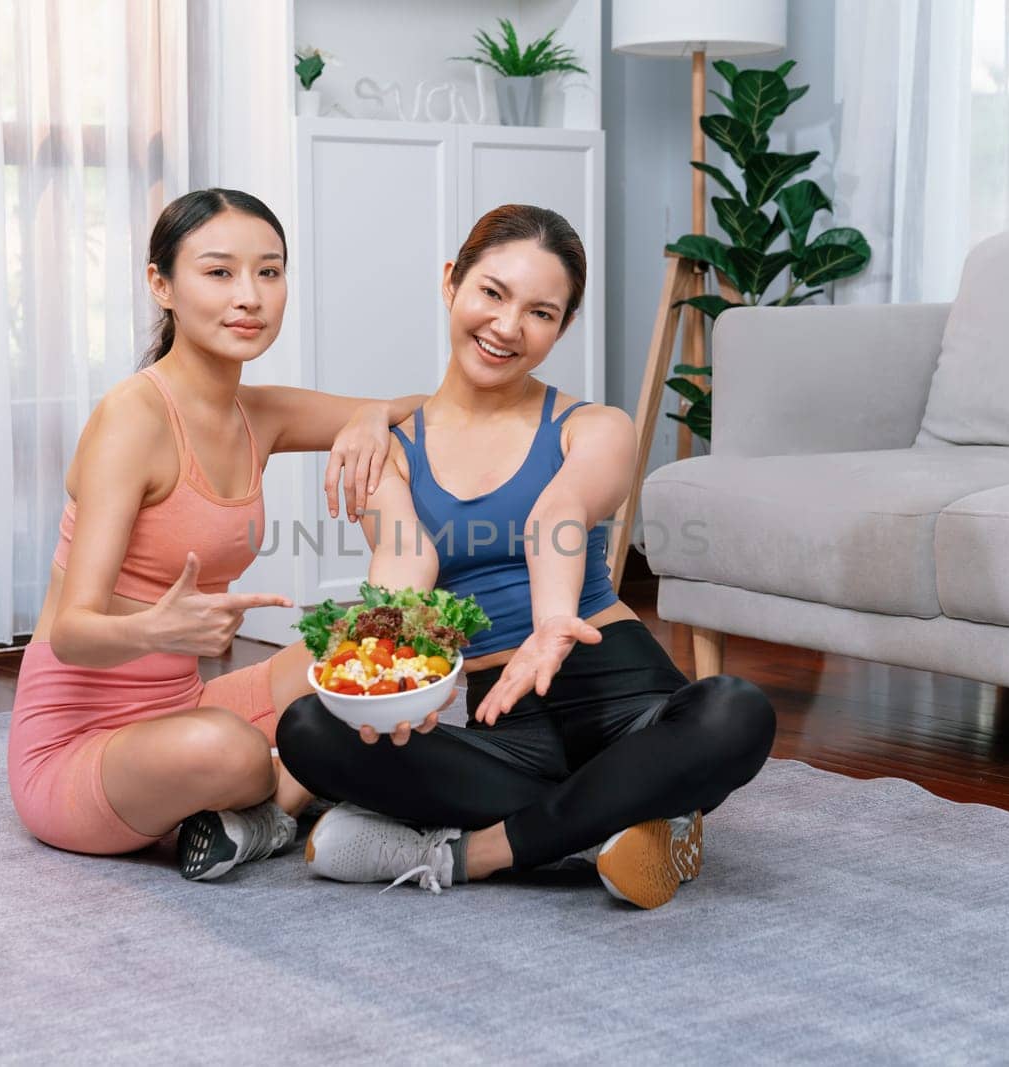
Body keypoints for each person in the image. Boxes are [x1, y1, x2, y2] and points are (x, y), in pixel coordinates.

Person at [275, 204, 777, 909]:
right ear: (451, 281)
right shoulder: (387, 445)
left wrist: (550, 626)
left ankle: (475, 853)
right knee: (309, 728)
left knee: (735, 712)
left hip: (615, 683)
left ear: (562, 326)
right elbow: (404, 557)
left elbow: (558, 515)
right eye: (492, 292)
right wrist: (390, 675)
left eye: (541, 312)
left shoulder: (594, 426)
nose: (508, 326)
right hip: (502, 722)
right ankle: (633, 813)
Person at [9, 188, 422, 881]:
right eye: (219, 272)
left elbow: (423, 410)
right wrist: (155, 629)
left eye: (269, 271)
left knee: (347, 658)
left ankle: (264, 815)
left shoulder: (258, 413)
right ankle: (295, 790)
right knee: (227, 750)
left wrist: (372, 418)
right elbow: (72, 628)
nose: (250, 296)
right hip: (80, 749)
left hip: (183, 704)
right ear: (161, 285)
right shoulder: (132, 419)